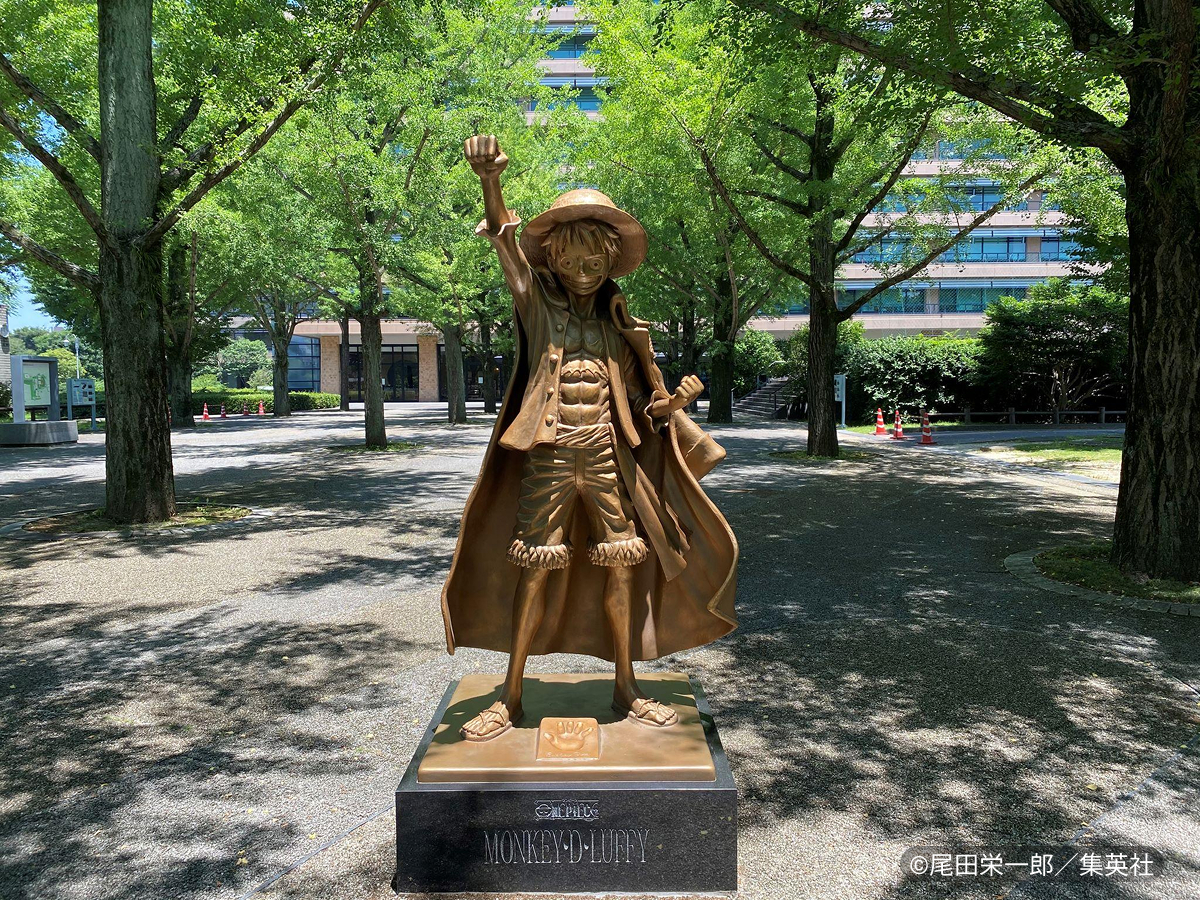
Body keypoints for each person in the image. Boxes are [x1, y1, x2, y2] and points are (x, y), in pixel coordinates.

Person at [440, 134, 738, 742]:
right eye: (571, 263)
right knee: (533, 568)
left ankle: (626, 687)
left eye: (593, 264)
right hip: (548, 456)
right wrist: (490, 181)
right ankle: (510, 694)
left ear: (609, 263)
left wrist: (675, 403)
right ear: (553, 261)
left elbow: (643, 407)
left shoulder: (621, 327)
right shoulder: (537, 306)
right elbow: (506, 246)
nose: (582, 273)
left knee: (623, 567)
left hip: (606, 457)